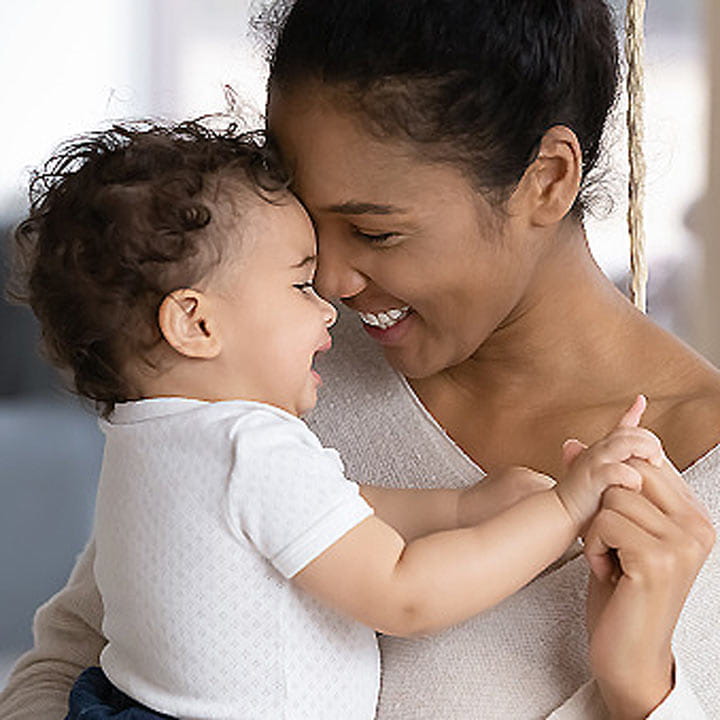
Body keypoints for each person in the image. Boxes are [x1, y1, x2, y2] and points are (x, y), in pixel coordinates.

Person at [0, 0, 718, 718]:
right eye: (309, 227)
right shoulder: (258, 373)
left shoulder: (701, 482)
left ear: (549, 179)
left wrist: (643, 691)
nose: (331, 284)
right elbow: (70, 662)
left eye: (375, 232)